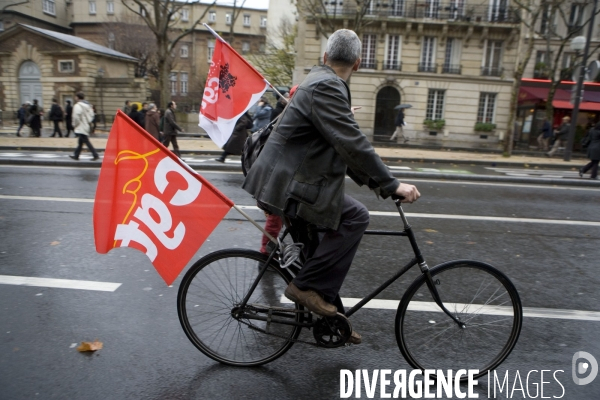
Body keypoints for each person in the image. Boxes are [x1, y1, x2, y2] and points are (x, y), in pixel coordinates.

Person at [242, 29, 420, 344]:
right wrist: (392, 184)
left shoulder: (319, 79)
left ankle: (332, 320)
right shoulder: (327, 86)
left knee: (323, 245)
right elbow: (354, 144)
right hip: (288, 188)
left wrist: (379, 184)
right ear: (359, 63)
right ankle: (303, 289)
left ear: (325, 57)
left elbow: (342, 149)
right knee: (356, 217)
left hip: (285, 183)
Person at [69, 92, 99, 161]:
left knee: (86, 141)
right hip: (86, 125)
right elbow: (92, 115)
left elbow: (76, 117)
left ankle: (95, 154)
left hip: (80, 126)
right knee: (81, 142)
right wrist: (88, 121)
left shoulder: (77, 106)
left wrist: (74, 125)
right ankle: (76, 155)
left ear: (77, 97)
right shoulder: (88, 105)